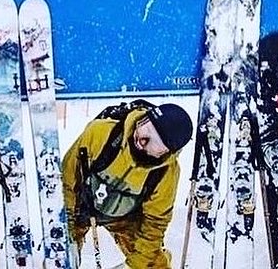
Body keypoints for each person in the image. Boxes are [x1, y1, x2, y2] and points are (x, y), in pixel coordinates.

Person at [62, 99, 193, 269]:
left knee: (155, 265)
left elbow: (154, 224)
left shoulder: (166, 173)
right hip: (81, 208)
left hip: (125, 219)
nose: (142, 139)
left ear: (165, 152)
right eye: (146, 127)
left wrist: (133, 266)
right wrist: (69, 237)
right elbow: (66, 185)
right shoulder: (99, 133)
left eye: (155, 141)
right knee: (59, 258)